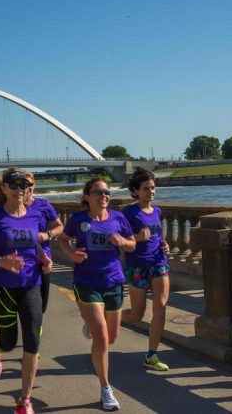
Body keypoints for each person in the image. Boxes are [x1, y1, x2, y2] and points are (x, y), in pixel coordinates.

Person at [0, 168, 52, 414]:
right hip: (3, 287)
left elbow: (35, 244)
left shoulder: (34, 215)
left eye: (23, 184)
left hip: (31, 284)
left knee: (33, 340)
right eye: (14, 184)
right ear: (4, 188)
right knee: (9, 343)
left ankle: (25, 400)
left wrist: (44, 258)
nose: (20, 188)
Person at [59, 177, 135, 411]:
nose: (104, 196)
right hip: (87, 282)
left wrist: (122, 240)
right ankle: (105, 389)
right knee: (101, 336)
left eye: (107, 192)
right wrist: (72, 255)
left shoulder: (118, 218)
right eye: (99, 192)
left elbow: (132, 243)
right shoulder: (78, 219)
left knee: (111, 337)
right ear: (87, 197)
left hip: (113, 282)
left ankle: (91, 326)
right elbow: (63, 238)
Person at [121, 168, 171, 371]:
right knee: (136, 315)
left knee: (160, 307)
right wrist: (137, 238)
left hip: (158, 264)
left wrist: (165, 245)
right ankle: (108, 317)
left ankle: (151, 355)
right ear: (136, 190)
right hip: (137, 267)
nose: (151, 192)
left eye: (153, 188)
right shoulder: (128, 213)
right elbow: (120, 240)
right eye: (146, 189)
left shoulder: (157, 211)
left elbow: (159, 235)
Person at [23, 171, 64, 315]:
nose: (27, 187)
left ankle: (35, 328)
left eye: (30, 184)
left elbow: (60, 227)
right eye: (23, 184)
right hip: (20, 260)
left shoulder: (43, 204)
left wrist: (48, 235)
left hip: (43, 259)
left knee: (42, 301)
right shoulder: (10, 207)